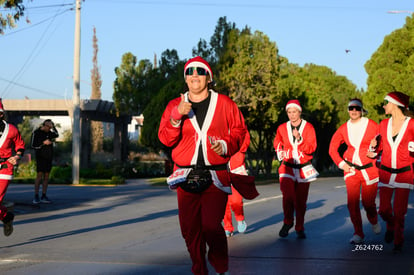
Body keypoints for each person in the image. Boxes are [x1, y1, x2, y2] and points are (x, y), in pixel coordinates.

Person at [158, 56, 247, 275]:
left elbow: (240, 131)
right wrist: (177, 116)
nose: (194, 75)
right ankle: (199, 268)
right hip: (184, 175)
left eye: (200, 71)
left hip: (214, 176)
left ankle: (219, 264)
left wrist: (226, 145)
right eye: (189, 72)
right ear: (185, 79)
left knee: (210, 226)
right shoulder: (174, 105)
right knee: (189, 229)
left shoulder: (225, 104)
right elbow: (165, 139)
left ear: (209, 77)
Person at [329, 98, 381, 244]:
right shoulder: (343, 128)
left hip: (370, 170)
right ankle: (358, 233)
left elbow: (382, 143)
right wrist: (341, 164)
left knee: (368, 203)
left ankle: (373, 219)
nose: (354, 111)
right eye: (351, 108)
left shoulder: (371, 125)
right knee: (352, 203)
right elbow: (332, 148)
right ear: (348, 110)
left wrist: (375, 150)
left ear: (361, 110)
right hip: (351, 170)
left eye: (357, 108)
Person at [369, 91, 414, 253]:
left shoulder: (412, 124)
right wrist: (373, 146)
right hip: (386, 172)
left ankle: (398, 239)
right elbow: (378, 148)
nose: (384, 105)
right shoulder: (383, 124)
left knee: (400, 211)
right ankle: (390, 225)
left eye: (386, 103)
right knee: (384, 210)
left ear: (394, 104)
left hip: (404, 173)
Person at [273, 99, 318, 239]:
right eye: (289, 112)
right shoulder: (282, 128)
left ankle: (299, 227)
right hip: (287, 167)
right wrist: (279, 151)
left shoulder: (309, 128)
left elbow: (312, 147)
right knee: (288, 196)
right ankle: (288, 221)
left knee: (300, 202)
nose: (292, 115)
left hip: (304, 168)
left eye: (294, 112)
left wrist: (300, 139)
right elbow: (278, 142)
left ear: (300, 112)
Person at [0, 99, 25, 236]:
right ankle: (6, 216)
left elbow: (20, 145)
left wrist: (17, 156)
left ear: (1, 114)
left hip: (4, 168)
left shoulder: (11, 129)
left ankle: (6, 216)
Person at [223, 131, 250, 238]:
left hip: (236, 170)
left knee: (236, 201)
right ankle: (227, 227)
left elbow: (245, 141)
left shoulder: (238, 126)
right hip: (221, 170)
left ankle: (240, 217)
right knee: (224, 202)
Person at [31, 119, 59, 204]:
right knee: (39, 175)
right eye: (48, 126)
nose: (49, 128)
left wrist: (53, 126)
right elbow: (33, 145)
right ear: (44, 125)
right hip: (40, 157)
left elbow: (57, 134)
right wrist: (43, 143)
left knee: (46, 176)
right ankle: (36, 196)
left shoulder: (50, 133)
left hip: (48, 157)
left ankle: (44, 195)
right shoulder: (36, 133)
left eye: (50, 127)